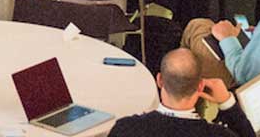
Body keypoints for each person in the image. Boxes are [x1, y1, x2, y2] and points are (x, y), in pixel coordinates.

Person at [105, 48, 250, 137]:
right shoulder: (218, 134)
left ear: (159, 80)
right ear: (200, 86)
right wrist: (227, 102)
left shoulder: (126, 129)